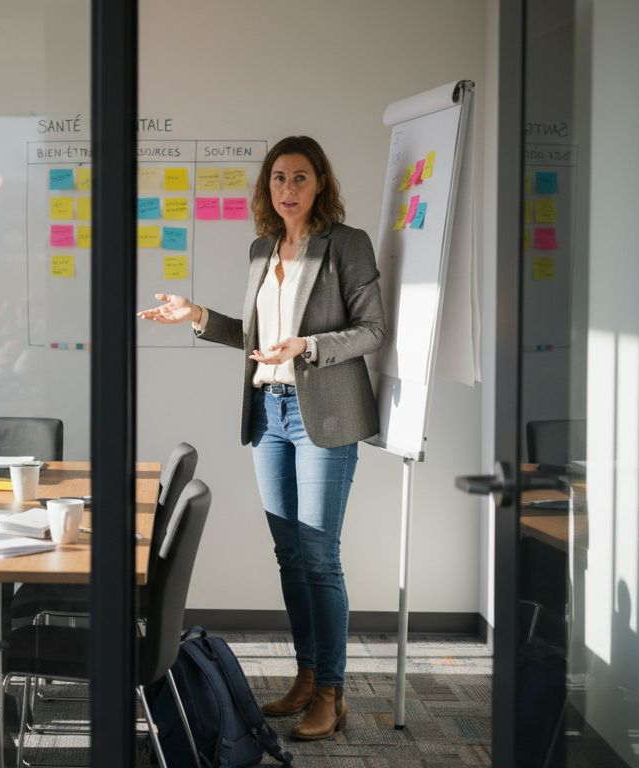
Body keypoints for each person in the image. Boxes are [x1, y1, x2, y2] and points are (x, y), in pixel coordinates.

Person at [139, 135, 385, 741]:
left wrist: (308, 347)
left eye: (299, 178)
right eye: (278, 178)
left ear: (320, 182)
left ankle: (332, 690)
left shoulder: (346, 245)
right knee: (289, 554)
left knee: (320, 557)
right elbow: (252, 334)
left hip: (321, 413)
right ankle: (306, 675)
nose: (287, 189)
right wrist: (196, 315)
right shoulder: (261, 248)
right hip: (268, 413)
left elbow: (372, 330)